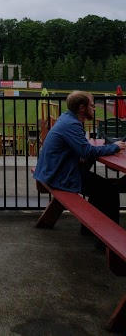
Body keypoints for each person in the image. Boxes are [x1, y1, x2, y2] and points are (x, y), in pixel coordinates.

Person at [33, 91, 126, 247]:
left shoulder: (67, 119)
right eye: (92, 105)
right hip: (59, 176)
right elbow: (87, 151)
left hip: (54, 172)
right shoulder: (71, 124)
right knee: (109, 191)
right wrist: (114, 147)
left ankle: (89, 231)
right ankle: (108, 244)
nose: (94, 108)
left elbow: (83, 149)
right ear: (82, 108)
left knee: (101, 187)